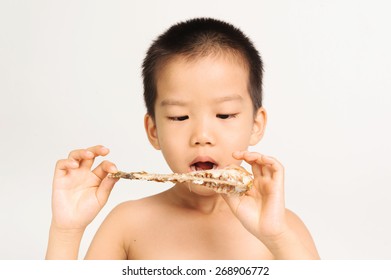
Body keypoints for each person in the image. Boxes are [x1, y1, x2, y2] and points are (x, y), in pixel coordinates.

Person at [46, 18, 320, 260]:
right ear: (153, 130)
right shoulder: (126, 226)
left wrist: (277, 237)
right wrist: (66, 231)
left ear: (256, 125)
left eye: (224, 115)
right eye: (179, 117)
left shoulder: (283, 229)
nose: (202, 136)